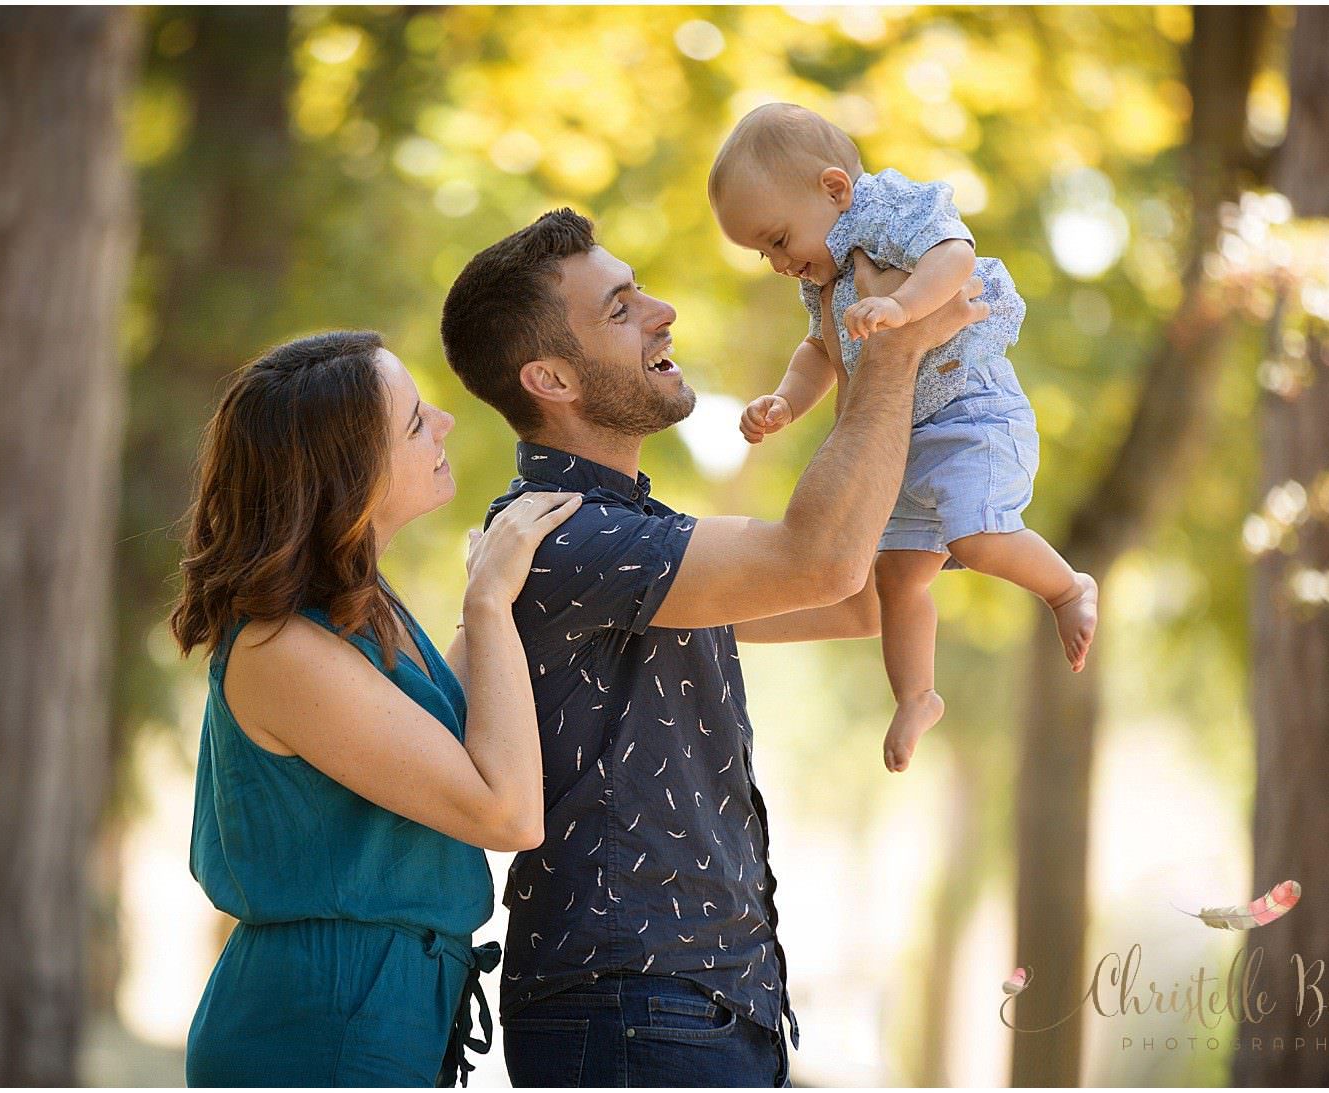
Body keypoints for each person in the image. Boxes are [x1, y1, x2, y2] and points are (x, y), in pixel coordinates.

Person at [439, 209, 987, 1086]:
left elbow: (853, 597)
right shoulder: (563, 540)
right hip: (637, 1005)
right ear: (550, 377)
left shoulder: (633, 534)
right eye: (619, 309)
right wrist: (891, 353)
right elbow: (822, 558)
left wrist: (962, 424)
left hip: (695, 1000)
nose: (662, 311)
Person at [169, 330, 582, 1086]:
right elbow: (507, 812)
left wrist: (483, 603)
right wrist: (487, 599)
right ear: (348, 476)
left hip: (381, 1004)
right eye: (416, 421)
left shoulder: (360, 612)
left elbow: (442, 737)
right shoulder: (281, 651)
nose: (446, 423)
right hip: (318, 1021)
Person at [709, 102, 1099, 772]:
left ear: (833, 188)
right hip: (908, 438)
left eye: (776, 240)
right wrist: (784, 402)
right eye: (761, 253)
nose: (776, 263)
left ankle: (1065, 588)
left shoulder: (885, 211)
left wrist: (901, 307)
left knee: (974, 537)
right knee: (896, 577)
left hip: (969, 412)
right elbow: (817, 354)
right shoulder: (826, 275)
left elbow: (954, 257)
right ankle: (917, 695)